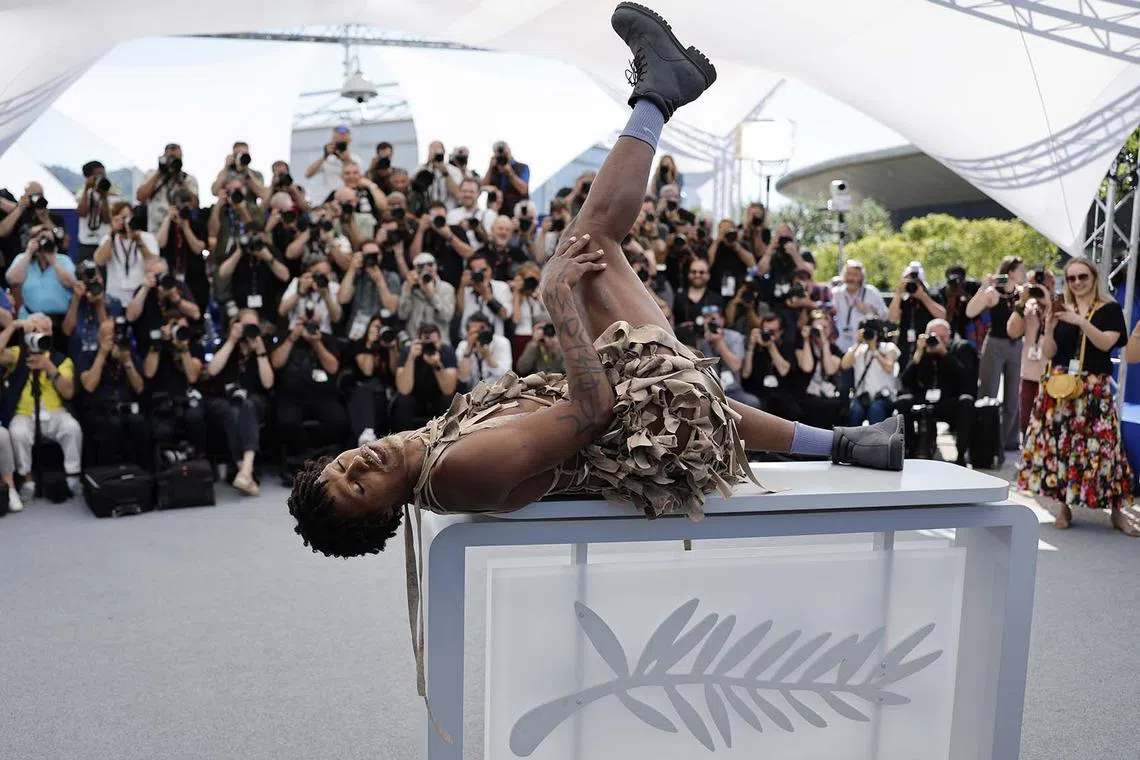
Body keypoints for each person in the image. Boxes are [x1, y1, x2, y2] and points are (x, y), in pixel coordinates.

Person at [289, 1, 901, 551]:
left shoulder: (423, 459)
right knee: (587, 248)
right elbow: (593, 410)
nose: (359, 465)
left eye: (341, 467)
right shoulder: (454, 473)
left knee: (598, 279)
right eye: (360, 488)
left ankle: (849, 445)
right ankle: (660, 91)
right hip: (653, 423)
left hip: (654, 414)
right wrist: (558, 304)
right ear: (382, 517)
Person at [1017, 257, 1137, 536]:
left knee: (1105, 447)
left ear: (1094, 277)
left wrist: (1080, 321)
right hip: (1059, 385)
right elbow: (1048, 353)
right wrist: (1049, 325)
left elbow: (1107, 343)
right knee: (1063, 445)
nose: (1077, 283)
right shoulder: (1060, 308)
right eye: (1071, 278)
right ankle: (1064, 507)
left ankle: (1116, 511)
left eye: (1082, 277)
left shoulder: (1109, 309)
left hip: (1093, 387)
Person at [0, 313, 82, 499]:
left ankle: (73, 476)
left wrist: (49, 367)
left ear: (51, 335)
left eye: (44, 331)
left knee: (72, 428)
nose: (39, 335)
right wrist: (13, 326)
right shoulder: (18, 354)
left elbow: (68, 392)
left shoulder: (61, 360)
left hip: (55, 412)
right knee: (17, 432)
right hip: (25, 413)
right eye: (35, 330)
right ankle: (27, 480)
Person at [894, 319, 976, 466]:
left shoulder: (961, 348)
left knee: (966, 402)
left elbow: (965, 378)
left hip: (948, 401)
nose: (936, 340)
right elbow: (905, 381)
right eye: (932, 336)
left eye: (941, 337)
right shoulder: (922, 350)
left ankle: (961, 454)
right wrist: (918, 353)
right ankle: (909, 450)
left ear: (949, 337)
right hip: (924, 399)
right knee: (903, 401)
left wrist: (944, 353)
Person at [965, 256, 1026, 451]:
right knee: (988, 393)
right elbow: (970, 311)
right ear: (1010, 272)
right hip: (995, 344)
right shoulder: (993, 293)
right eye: (1020, 270)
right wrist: (983, 288)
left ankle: (1005, 441)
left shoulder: (1022, 293)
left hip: (1016, 345)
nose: (1024, 273)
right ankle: (983, 439)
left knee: (1013, 399)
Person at [1006, 267, 1054, 435]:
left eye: (1044, 285)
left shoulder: (1059, 305)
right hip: (1030, 374)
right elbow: (1012, 332)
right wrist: (1021, 303)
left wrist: (1048, 303)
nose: (1039, 289)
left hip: (1052, 374)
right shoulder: (1028, 307)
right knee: (1026, 422)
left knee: (1049, 422)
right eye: (1034, 285)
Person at [842, 316, 899, 425]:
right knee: (855, 411)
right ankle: (854, 441)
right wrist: (857, 343)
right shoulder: (858, 350)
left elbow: (889, 367)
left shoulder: (888, 347)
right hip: (862, 398)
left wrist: (874, 350)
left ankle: (876, 442)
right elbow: (844, 365)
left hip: (883, 397)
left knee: (875, 409)